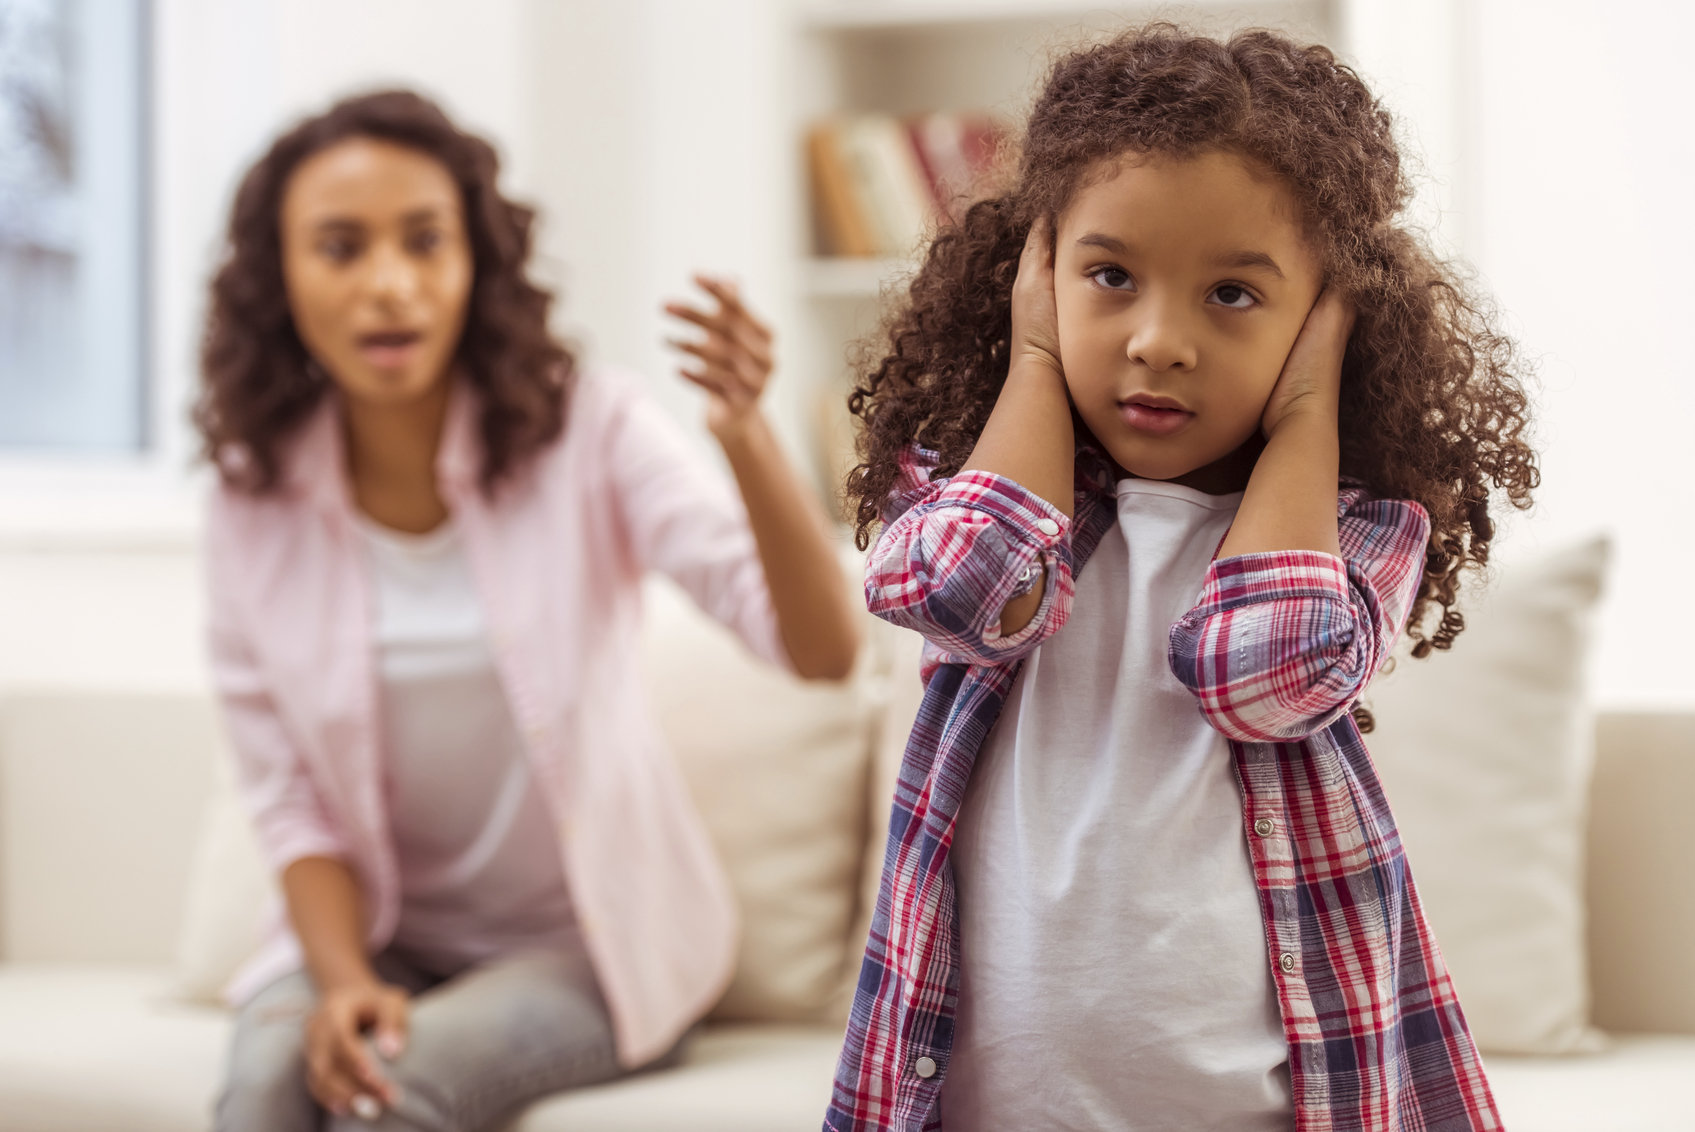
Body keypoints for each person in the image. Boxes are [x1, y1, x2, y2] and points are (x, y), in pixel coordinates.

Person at [826, 23, 1537, 1132]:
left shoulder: (1360, 521)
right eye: (1109, 274)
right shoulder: (973, 483)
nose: (1158, 340)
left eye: (1234, 296)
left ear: (1331, 321)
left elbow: (1265, 676)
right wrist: (1031, 364)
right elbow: (961, 595)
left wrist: (1307, 420)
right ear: (1036, 268)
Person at [194, 89, 859, 1131]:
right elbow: (289, 801)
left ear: (475, 262)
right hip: (384, 939)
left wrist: (745, 436)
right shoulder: (251, 502)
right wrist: (340, 981)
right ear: (282, 279)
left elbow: (821, 651)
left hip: (589, 950)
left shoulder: (590, 432)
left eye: (425, 241)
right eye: (340, 247)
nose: (389, 285)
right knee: (265, 1087)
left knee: (388, 1091)